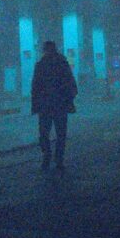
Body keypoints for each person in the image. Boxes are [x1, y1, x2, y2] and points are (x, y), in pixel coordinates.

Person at [32, 40, 77, 171]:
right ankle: (58, 159)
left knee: (44, 133)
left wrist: (35, 104)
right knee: (61, 133)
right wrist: (69, 99)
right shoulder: (62, 63)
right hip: (60, 104)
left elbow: (35, 86)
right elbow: (70, 83)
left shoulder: (40, 65)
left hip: (45, 105)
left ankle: (47, 156)